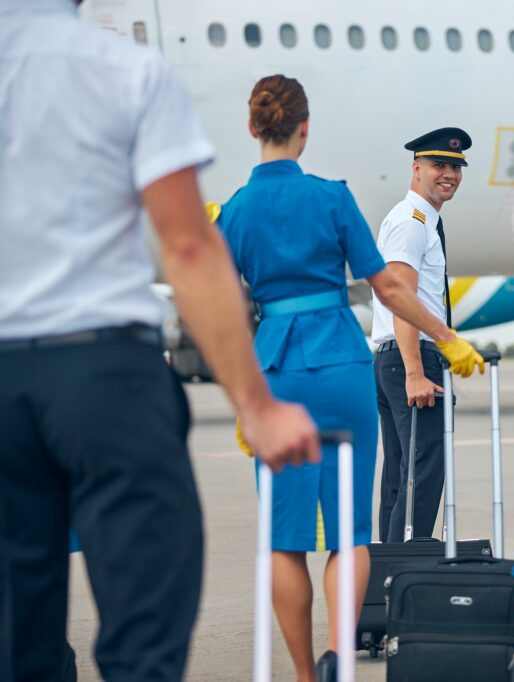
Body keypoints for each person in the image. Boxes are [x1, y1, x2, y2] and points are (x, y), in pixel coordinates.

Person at [0, 4, 319, 681]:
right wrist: (255, 406)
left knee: (14, 646)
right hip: (102, 374)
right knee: (144, 638)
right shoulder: (123, 68)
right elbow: (186, 245)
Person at [216, 76, 484, 682]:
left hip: (276, 370)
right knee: (349, 532)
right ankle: (343, 651)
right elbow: (388, 285)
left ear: (253, 129)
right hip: (341, 362)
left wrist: (243, 394)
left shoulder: (234, 210)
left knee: (285, 540)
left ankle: (306, 673)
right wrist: (448, 339)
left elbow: (220, 308)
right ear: (305, 131)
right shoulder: (334, 198)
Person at [372, 127, 472, 543]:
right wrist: (415, 370)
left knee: (401, 474)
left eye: (455, 166)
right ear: (416, 169)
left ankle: (388, 578)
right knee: (423, 473)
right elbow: (401, 297)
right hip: (410, 358)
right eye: (438, 165)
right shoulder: (412, 223)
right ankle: (404, 571)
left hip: (396, 357)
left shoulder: (419, 220)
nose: (448, 174)